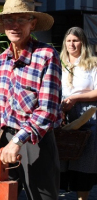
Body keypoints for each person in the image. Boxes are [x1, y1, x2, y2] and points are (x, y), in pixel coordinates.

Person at [0, 0, 62, 200]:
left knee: (42, 196)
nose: (15, 25)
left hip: (36, 142)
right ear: (3, 24)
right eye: (9, 20)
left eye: (21, 19)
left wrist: (17, 141)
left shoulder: (46, 56)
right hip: (5, 138)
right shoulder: (1, 60)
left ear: (32, 24)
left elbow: (47, 110)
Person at [59, 27, 97, 200]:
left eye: (75, 40)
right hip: (63, 116)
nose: (72, 44)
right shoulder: (59, 63)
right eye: (68, 41)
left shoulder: (92, 63)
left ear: (83, 42)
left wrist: (75, 98)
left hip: (88, 115)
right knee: (61, 160)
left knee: (85, 161)